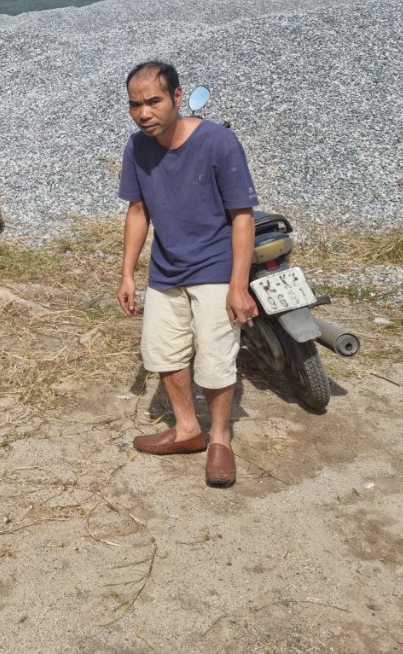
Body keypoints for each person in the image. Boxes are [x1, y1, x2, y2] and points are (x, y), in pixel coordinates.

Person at [115, 61, 258, 488]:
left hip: (215, 267)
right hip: (166, 268)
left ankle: (219, 438)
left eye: (153, 101)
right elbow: (137, 212)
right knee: (164, 353)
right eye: (134, 105)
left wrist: (237, 286)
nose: (144, 113)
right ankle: (185, 429)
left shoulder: (218, 142)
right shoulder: (137, 147)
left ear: (177, 98)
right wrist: (127, 274)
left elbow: (242, 217)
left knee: (215, 360)